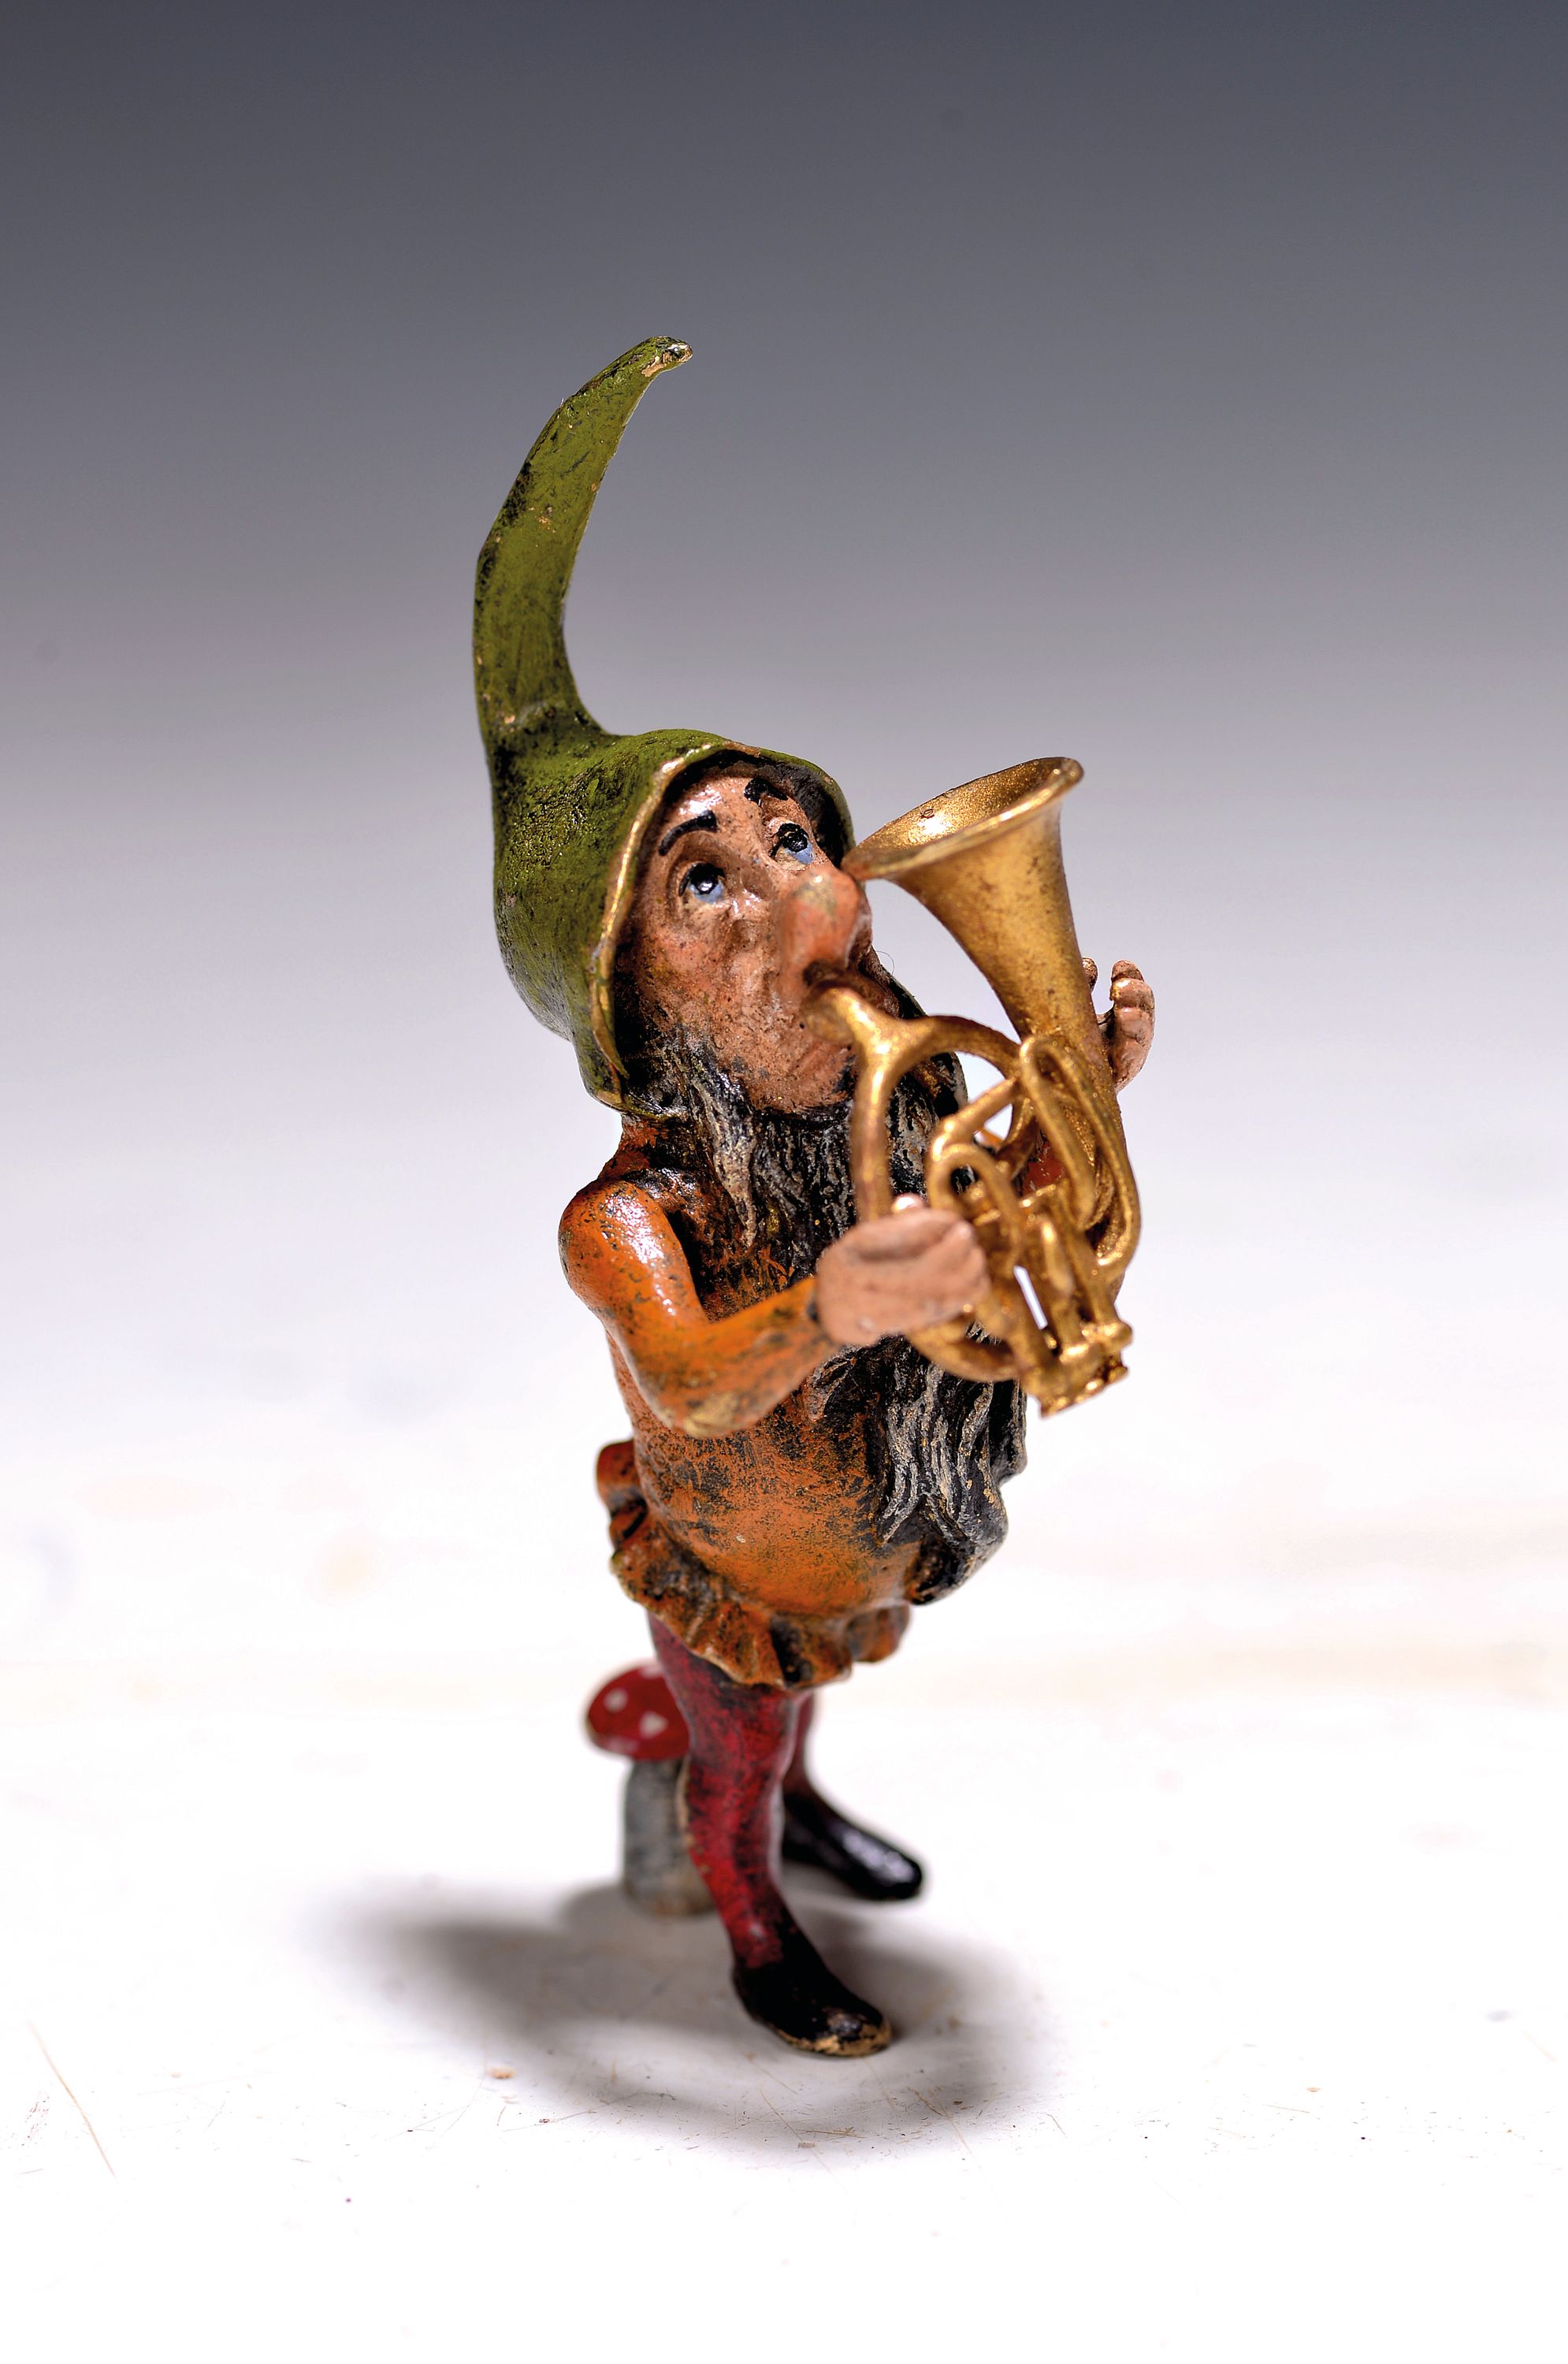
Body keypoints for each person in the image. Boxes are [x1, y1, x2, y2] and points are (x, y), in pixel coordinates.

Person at [474, 340, 1153, 2056]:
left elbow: (1003, 1219)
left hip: (855, 1534)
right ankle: (755, 1922)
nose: (794, 895)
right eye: (703, 883)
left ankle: (794, 1813)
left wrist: (1079, 1099)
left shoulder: (899, 1104)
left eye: (791, 842)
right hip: (735, 1551)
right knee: (740, 1743)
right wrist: (837, 1305)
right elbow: (695, 1382)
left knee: (798, 1709)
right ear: (629, 1001)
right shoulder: (625, 1222)